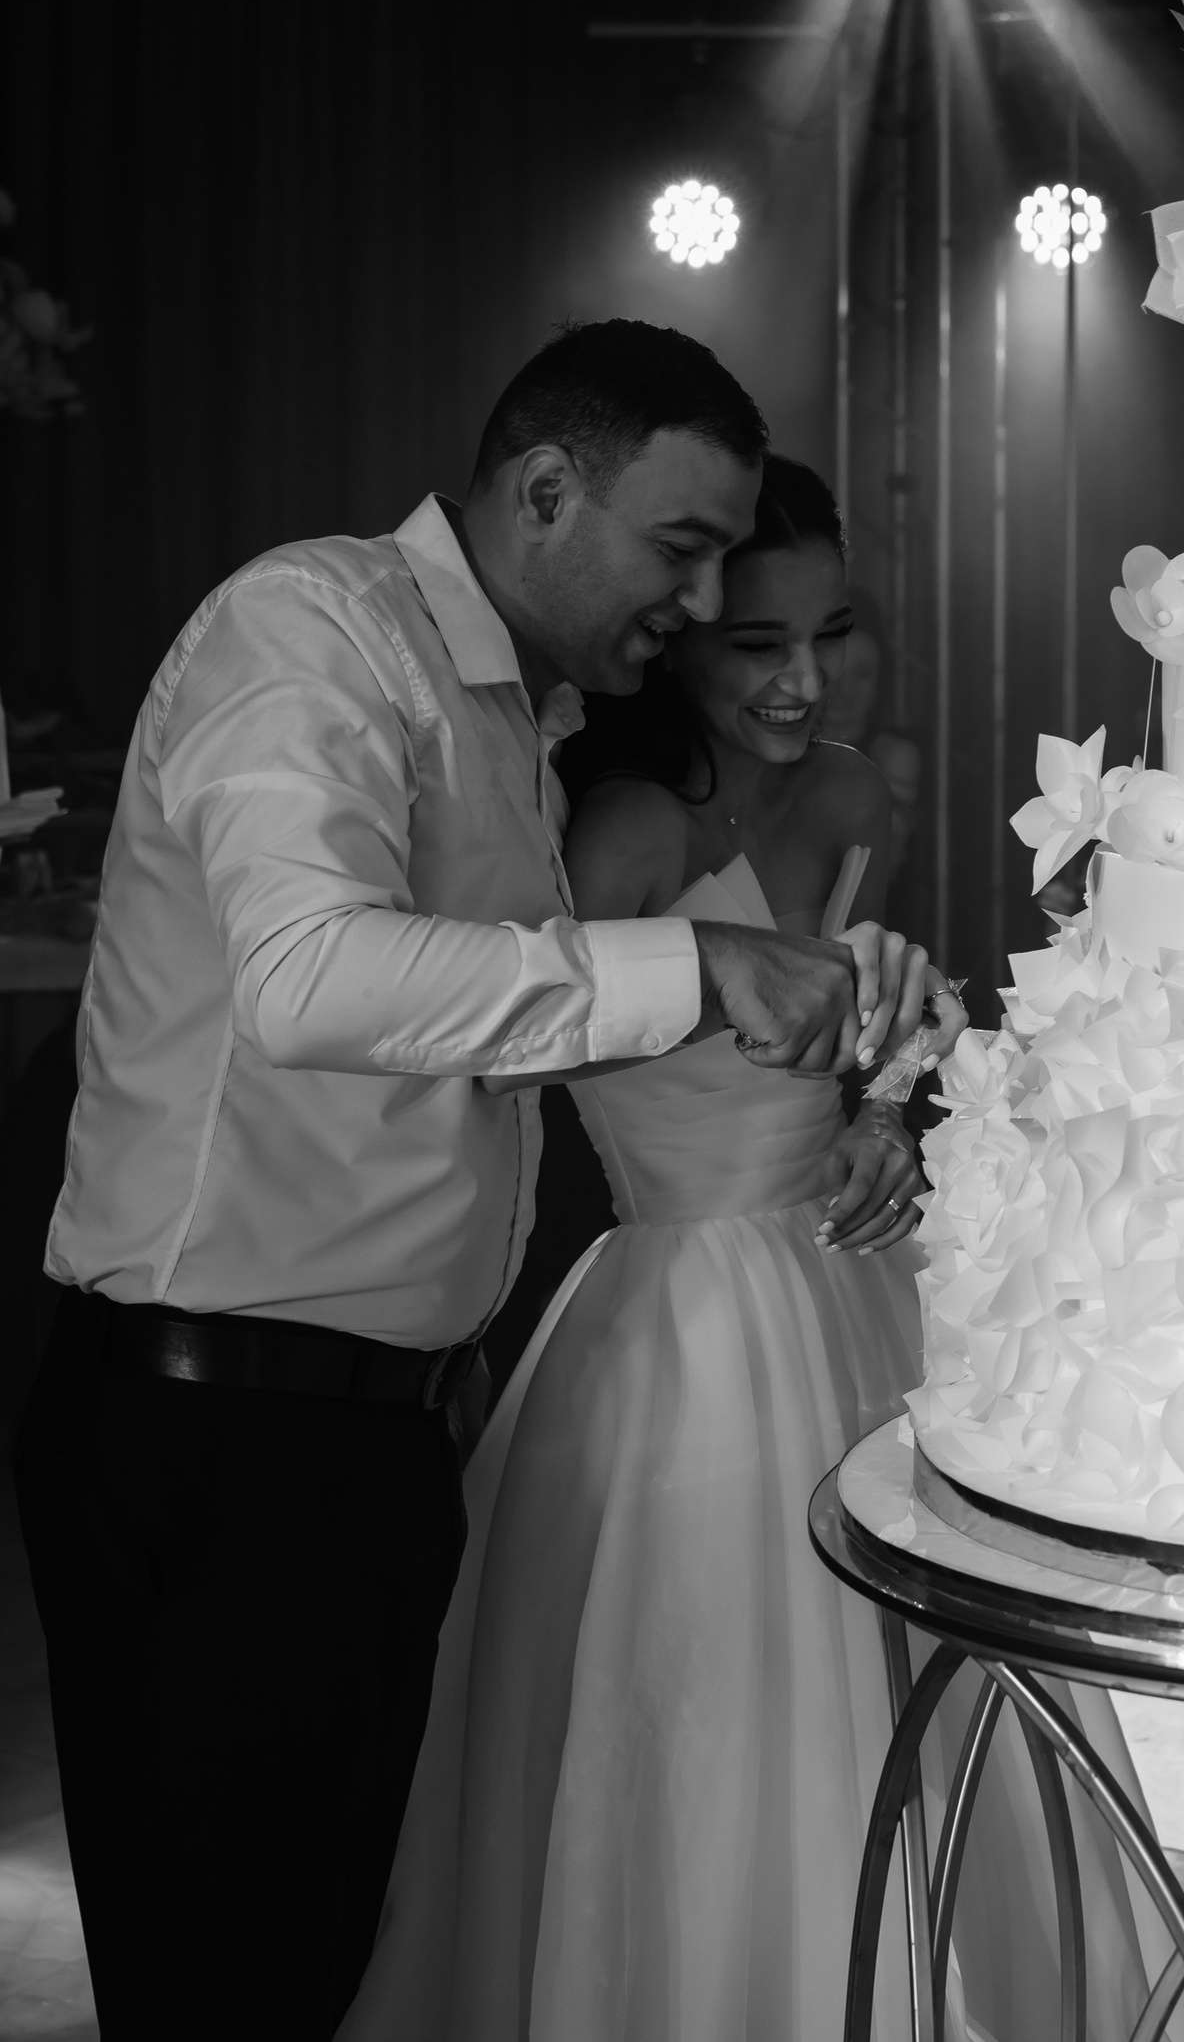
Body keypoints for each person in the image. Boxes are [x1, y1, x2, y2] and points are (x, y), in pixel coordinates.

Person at [13, 324, 930, 2042]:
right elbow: (310, 980)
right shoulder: (311, 631)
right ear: (547, 490)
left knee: (338, 1962)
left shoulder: (527, 717)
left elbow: (493, 1042)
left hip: (379, 1434)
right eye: (682, 549)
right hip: (219, 1431)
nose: (703, 598)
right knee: (226, 1981)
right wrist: (700, 969)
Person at [339, 459, 1175, 2042]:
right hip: (683, 1319)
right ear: (683, 643)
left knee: (930, 1685)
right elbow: (510, 1053)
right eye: (756, 646)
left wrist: (885, 1111)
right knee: (717, 1702)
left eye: (831, 635)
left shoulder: (854, 801)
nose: (805, 682)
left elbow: (860, 1030)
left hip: (858, 1291)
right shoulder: (624, 834)